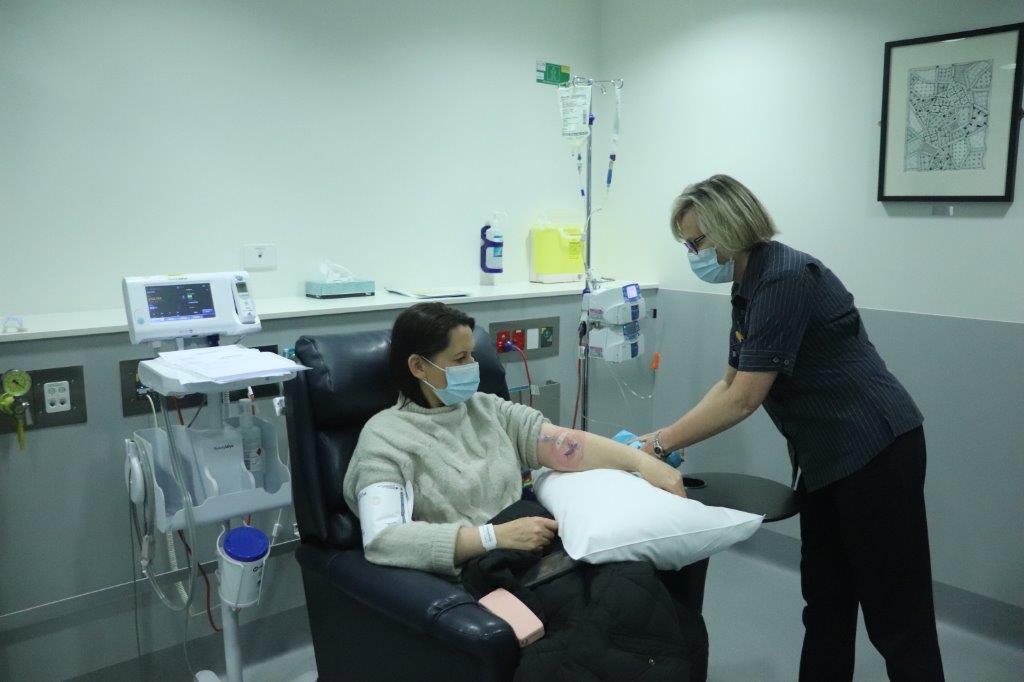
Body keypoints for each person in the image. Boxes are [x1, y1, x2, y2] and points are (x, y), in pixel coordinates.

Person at [638, 174, 944, 681]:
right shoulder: (749, 281)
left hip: (876, 450)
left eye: (696, 241)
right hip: (825, 457)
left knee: (897, 615)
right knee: (825, 599)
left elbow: (743, 400)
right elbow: (729, 382)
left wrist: (660, 441)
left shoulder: (784, 278)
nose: (692, 253)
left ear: (728, 227)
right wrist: (657, 439)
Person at [342, 301, 684, 578]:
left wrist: (639, 460)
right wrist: (492, 538)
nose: (473, 365)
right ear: (418, 366)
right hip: (484, 571)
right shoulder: (384, 438)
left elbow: (565, 446)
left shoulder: (485, 409)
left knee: (634, 579)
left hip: (537, 551)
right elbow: (383, 538)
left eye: (473, 354)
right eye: (460, 359)